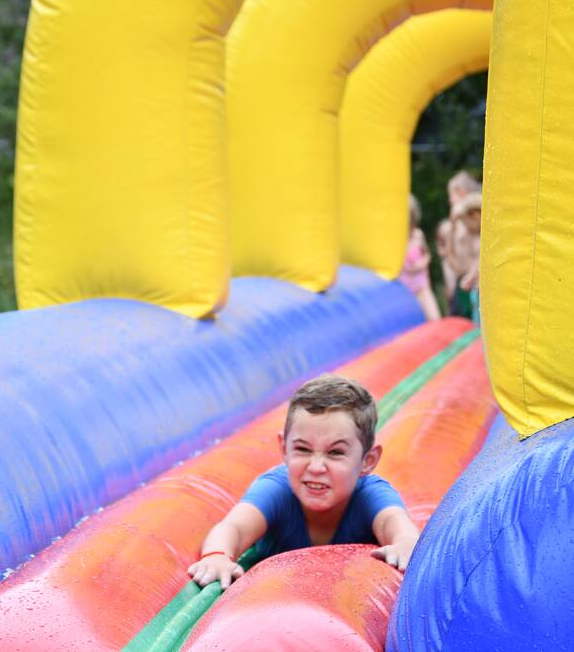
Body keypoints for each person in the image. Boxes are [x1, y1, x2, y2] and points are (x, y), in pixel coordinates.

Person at [186, 374, 420, 590]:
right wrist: (217, 556)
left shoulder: (370, 494)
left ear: (368, 461)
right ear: (284, 449)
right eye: (303, 449)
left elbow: (397, 525)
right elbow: (233, 527)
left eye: (335, 452)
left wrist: (406, 543)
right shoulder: (276, 489)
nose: (316, 467)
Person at [438, 171, 482, 311]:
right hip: (465, 280)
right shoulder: (456, 222)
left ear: (462, 193)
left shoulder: (469, 217)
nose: (449, 200)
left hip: (473, 281)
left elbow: (477, 253)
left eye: (451, 195)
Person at [399, 195, 441, 321]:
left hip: (421, 285)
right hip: (404, 287)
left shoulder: (418, 234)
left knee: (434, 317)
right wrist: (407, 268)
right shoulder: (396, 240)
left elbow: (427, 254)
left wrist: (423, 263)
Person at [446, 192, 482, 321]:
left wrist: (470, 277)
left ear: (475, 215)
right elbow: (455, 262)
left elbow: (479, 261)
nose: (465, 226)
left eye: (464, 221)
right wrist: (452, 226)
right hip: (473, 288)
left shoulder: (482, 239)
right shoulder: (471, 236)